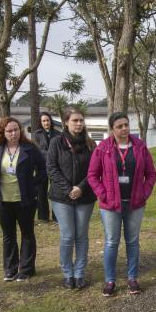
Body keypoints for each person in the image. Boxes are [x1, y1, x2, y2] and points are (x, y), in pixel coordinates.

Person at [87, 113, 156, 297]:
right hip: (110, 205)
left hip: (135, 203)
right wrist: (104, 195)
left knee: (132, 241)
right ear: (112, 129)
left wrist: (144, 192)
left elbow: (151, 174)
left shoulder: (140, 147)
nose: (124, 128)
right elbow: (92, 176)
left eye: (126, 125)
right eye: (120, 126)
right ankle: (110, 280)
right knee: (111, 242)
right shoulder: (103, 148)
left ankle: (132, 278)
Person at [0, 117, 46, 282]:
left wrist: (33, 183)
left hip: (25, 199)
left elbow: (42, 168)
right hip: (2, 199)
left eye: (16, 130)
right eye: (9, 131)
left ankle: (26, 269)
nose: (13, 133)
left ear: (20, 131)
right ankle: (10, 269)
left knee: (27, 233)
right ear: (2, 133)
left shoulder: (30, 148)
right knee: (8, 235)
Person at [47, 107, 97, 290]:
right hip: (61, 197)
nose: (79, 123)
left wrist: (80, 188)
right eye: (75, 120)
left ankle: (80, 273)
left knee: (81, 236)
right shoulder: (56, 143)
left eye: (81, 120)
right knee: (68, 235)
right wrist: (69, 189)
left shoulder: (91, 145)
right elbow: (52, 168)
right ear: (66, 122)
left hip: (85, 196)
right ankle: (68, 273)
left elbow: (94, 170)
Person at [32, 112, 62, 222]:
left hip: (56, 166)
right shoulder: (36, 135)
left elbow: (61, 150)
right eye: (43, 121)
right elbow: (36, 150)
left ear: (51, 121)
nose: (46, 123)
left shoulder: (58, 134)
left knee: (55, 192)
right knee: (41, 192)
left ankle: (56, 216)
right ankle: (43, 217)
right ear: (40, 123)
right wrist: (49, 154)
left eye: (47, 120)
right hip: (41, 166)